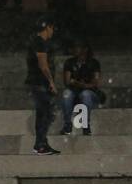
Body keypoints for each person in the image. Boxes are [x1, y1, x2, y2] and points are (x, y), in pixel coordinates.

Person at [26, 18, 59, 155]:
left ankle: (41, 143)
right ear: (48, 27)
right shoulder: (39, 43)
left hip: (38, 83)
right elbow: (43, 64)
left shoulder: (37, 42)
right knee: (45, 113)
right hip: (39, 83)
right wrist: (51, 81)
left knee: (45, 113)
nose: (53, 33)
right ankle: (40, 144)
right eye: (52, 29)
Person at [60, 41, 102, 136]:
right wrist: (82, 84)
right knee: (66, 94)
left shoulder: (93, 63)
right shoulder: (69, 62)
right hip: (74, 92)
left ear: (85, 49)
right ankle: (67, 125)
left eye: (78, 47)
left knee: (86, 94)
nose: (75, 49)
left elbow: (96, 83)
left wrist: (78, 83)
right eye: (74, 47)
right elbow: (67, 81)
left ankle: (85, 125)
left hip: (90, 93)